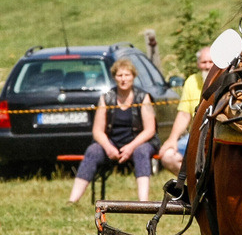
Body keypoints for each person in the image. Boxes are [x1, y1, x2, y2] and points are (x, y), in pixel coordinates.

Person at [68, 59, 157, 203]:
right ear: (114, 77)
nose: (123, 79)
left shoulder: (143, 97)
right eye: (119, 75)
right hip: (112, 143)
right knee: (93, 150)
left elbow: (150, 130)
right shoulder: (107, 98)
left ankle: (143, 202)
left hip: (139, 141)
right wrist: (109, 148)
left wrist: (130, 147)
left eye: (127, 75)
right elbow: (97, 131)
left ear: (133, 76)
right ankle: (73, 201)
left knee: (141, 152)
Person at [158, 46, 212, 175]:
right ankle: (192, 188)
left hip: (216, 136)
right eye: (204, 62)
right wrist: (172, 139)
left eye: (211, 62)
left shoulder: (226, 80)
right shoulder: (191, 81)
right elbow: (183, 114)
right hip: (195, 136)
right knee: (168, 156)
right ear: (198, 64)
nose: (208, 66)